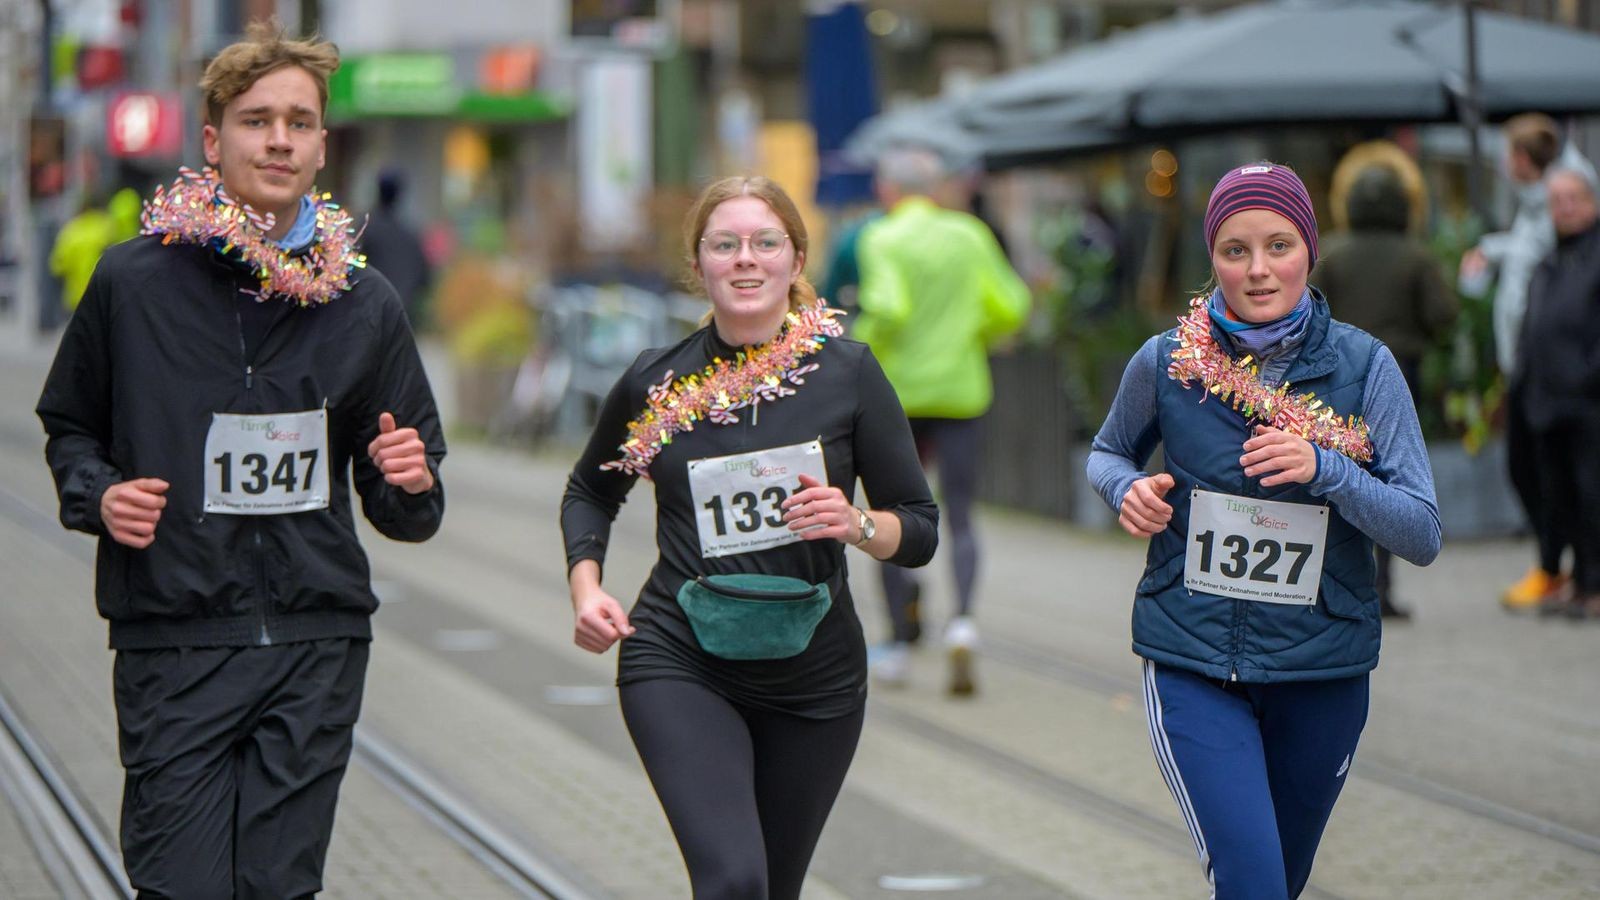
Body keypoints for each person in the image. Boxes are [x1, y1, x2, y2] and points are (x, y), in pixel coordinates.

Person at [35, 22, 446, 897]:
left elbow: (407, 497)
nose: (280, 139)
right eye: (258, 120)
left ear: (322, 145)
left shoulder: (362, 300)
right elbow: (70, 425)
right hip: (175, 638)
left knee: (278, 889)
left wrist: (409, 479)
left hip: (315, 639)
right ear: (214, 142)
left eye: (299, 121)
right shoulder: (131, 283)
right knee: (177, 885)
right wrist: (99, 497)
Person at [560, 175, 938, 899]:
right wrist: (586, 586)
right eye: (724, 244)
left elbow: (919, 529)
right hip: (679, 657)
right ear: (697, 264)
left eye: (766, 243)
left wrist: (857, 524)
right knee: (733, 880)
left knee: (774, 888)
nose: (745, 259)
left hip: (815, 676)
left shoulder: (848, 374)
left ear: (796, 262)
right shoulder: (656, 384)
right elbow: (590, 490)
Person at [1087, 162, 1441, 899]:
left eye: (1279, 245)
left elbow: (1422, 532)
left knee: (1282, 881)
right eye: (1234, 250)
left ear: (1311, 249)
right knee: (1252, 884)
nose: (1257, 271)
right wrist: (1128, 491)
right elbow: (1107, 451)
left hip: (1324, 673)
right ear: (1211, 256)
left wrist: (1327, 468)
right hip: (1193, 661)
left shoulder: (1365, 367)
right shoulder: (1168, 361)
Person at [852, 146, 1030, 695]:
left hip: (899, 397)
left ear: (888, 190)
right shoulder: (969, 234)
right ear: (933, 189)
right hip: (960, 391)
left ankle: (900, 645)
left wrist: (850, 352)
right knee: (961, 514)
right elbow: (1013, 305)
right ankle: (963, 624)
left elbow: (888, 309)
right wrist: (969, 331)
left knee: (890, 515)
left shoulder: (880, 237)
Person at [1316, 155, 1458, 619]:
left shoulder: (1333, 252)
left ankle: (1330, 580)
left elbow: (1307, 308)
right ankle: (1382, 585)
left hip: (1335, 377)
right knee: (1392, 477)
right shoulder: (1416, 255)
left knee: (1335, 471)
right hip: (1401, 372)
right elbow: (1444, 316)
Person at [1459, 114, 1568, 610]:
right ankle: (1552, 565)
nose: (1503, 164)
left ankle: (1555, 567)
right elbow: (1527, 251)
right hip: (1522, 361)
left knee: (1540, 465)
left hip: (1547, 363)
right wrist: (1490, 250)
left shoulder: (1561, 196)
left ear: (1524, 159)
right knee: (1527, 465)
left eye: (1509, 154)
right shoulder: (1534, 204)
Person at [1512, 168, 1600, 619]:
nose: (1564, 207)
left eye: (1573, 198)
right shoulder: (1550, 261)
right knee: (1558, 497)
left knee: (1592, 496)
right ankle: (1577, 579)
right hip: (1545, 402)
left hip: (1587, 403)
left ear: (1592, 201)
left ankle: (1594, 584)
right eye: (1556, 200)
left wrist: (1586, 375)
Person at [360, 168, 432, 328]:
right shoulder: (411, 235)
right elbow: (425, 278)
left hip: (368, 318)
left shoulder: (364, 231)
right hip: (403, 317)